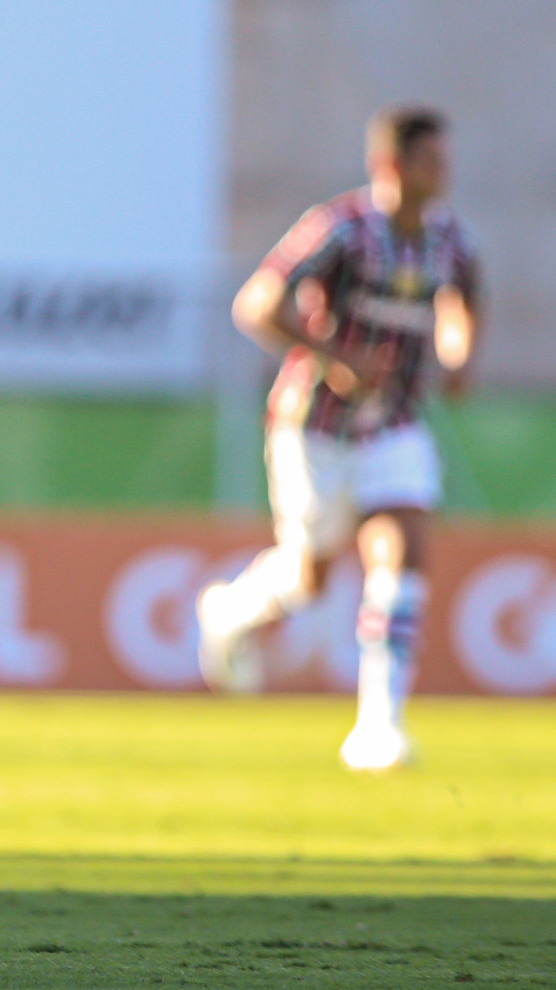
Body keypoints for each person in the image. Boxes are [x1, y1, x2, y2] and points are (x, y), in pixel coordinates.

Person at [197, 106, 479, 771]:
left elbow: (464, 304)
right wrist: (335, 357)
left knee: (402, 552)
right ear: (393, 165)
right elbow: (259, 304)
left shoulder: (450, 242)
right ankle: (229, 613)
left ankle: (378, 725)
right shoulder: (342, 230)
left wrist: (459, 356)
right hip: (315, 426)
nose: (445, 174)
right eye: (432, 161)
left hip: (396, 426)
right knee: (309, 577)